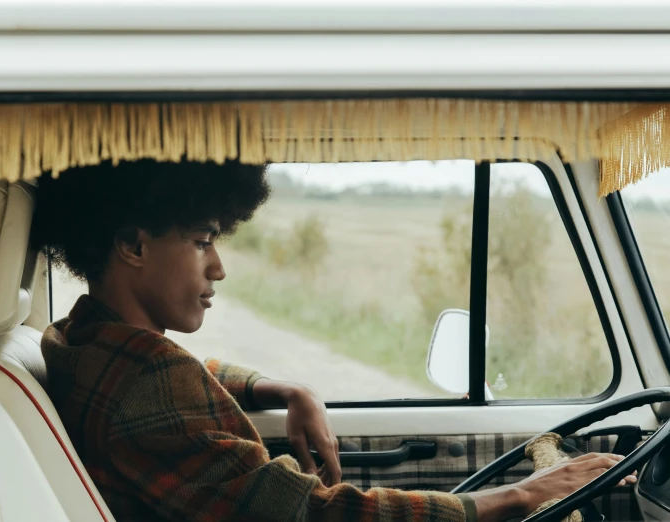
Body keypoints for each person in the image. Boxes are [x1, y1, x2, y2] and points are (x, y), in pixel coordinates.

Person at [31, 158, 636, 522]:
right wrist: (515, 497)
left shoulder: (81, 336)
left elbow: (191, 376)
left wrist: (284, 387)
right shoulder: (148, 390)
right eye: (201, 240)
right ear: (133, 245)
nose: (218, 267)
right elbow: (309, 513)